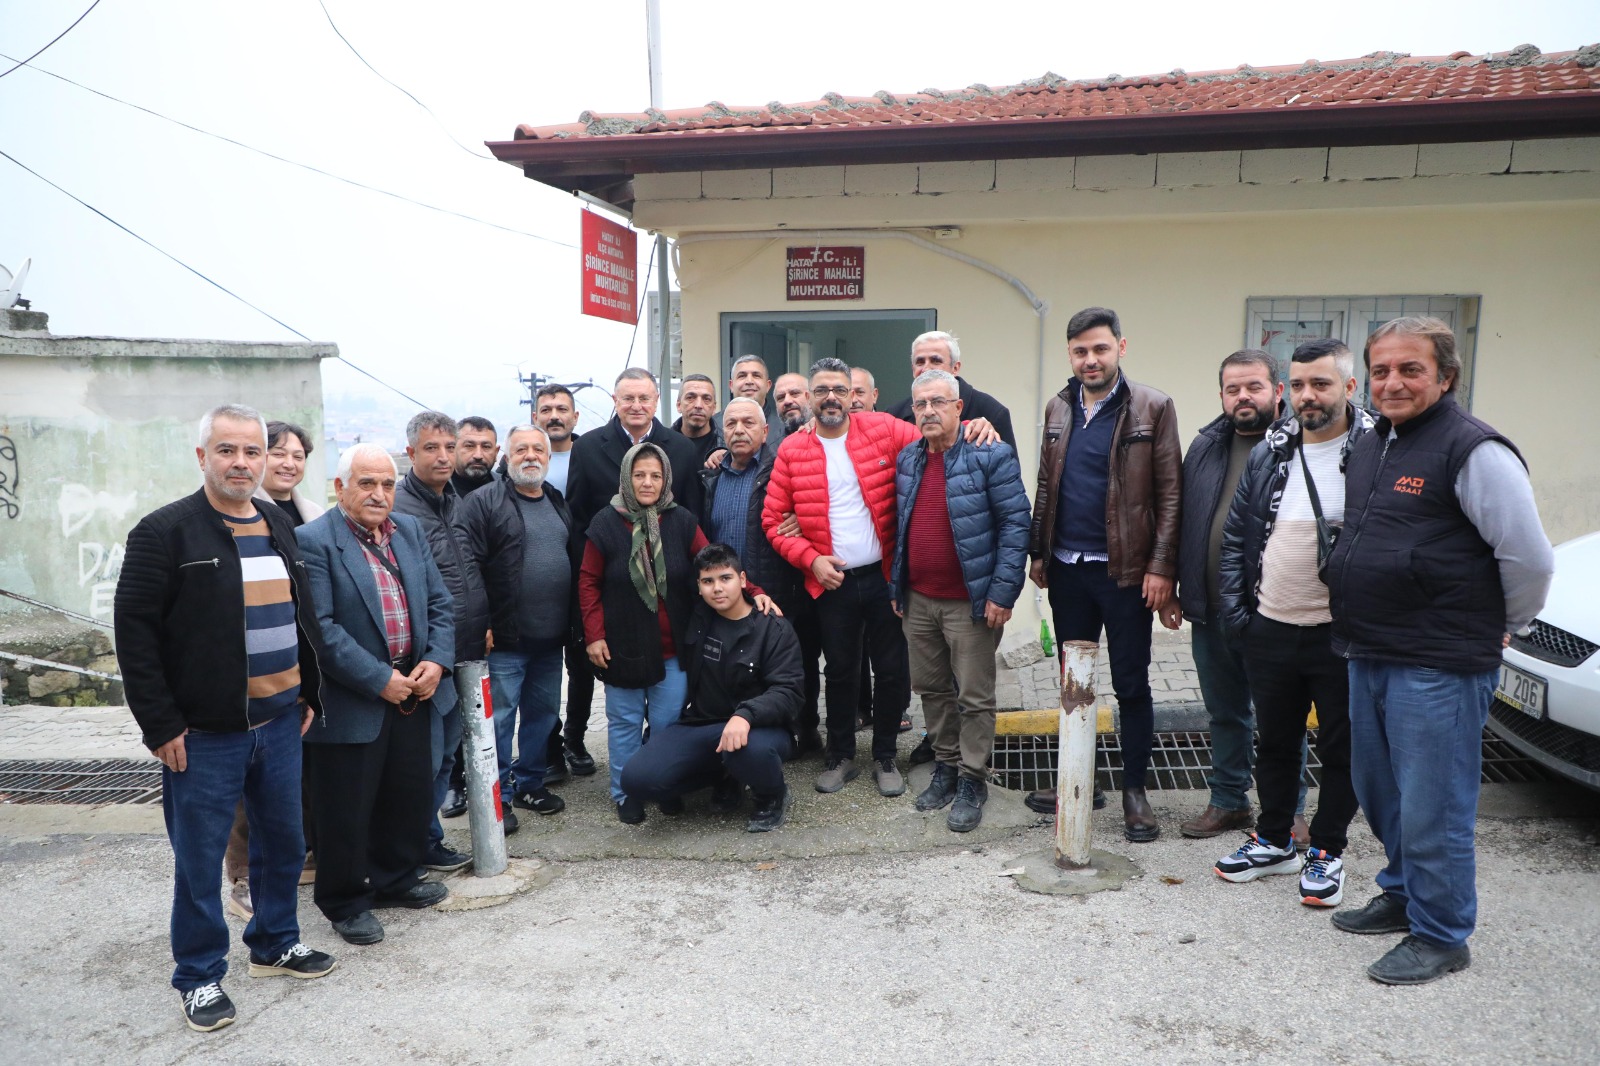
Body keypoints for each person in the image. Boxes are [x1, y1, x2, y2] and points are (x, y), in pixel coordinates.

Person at [1326, 316, 1553, 985]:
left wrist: (1500, 622)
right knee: (1382, 789)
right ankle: (1403, 892)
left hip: (1440, 660)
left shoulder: (1473, 450)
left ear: (1447, 376)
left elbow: (1529, 560)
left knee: (1434, 801)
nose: (1392, 382)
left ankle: (1443, 931)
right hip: (1370, 646)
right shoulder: (1375, 441)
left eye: (1411, 369)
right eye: (1382, 370)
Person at [115, 402, 335, 1032]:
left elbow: (301, 614)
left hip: (280, 722)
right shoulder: (164, 533)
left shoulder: (273, 521)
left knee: (284, 843)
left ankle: (274, 942)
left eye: (252, 452)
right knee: (199, 857)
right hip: (204, 737)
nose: (241, 463)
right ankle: (200, 975)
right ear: (202, 456)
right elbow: (135, 636)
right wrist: (160, 726)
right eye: (227, 451)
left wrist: (309, 691)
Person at [763, 359, 999, 798]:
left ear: (852, 393)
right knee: (840, 672)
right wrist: (811, 560)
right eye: (821, 390)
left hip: (887, 578)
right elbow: (773, 521)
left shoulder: (885, 429)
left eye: (839, 388)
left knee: (892, 671)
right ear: (811, 397)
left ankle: (886, 755)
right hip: (831, 582)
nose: (830, 397)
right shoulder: (793, 450)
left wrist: (974, 424)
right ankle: (840, 756)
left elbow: (938, 432)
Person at [1215, 340, 1374, 907]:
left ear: (1349, 388)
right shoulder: (1273, 449)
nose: (1309, 396)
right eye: (1301, 384)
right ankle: (1275, 839)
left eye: (1322, 384)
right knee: (1275, 741)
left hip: (1341, 634)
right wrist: (1241, 617)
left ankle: (1327, 849)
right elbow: (1238, 536)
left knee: (1341, 747)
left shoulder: (1377, 450)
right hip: (1271, 627)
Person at [1025, 307, 1181, 842]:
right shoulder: (1059, 407)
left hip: (1127, 575)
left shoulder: (1152, 407)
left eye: (1100, 349)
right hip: (1068, 571)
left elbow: (1170, 494)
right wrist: (1039, 553)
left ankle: (1134, 790)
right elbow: (1047, 485)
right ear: (1070, 355)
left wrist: (1161, 569)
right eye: (1080, 351)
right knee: (1075, 684)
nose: (1090, 360)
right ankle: (1078, 779)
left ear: (1120, 347)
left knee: (1132, 684)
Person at [297, 443, 456, 946]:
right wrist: (376, 679)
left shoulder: (407, 530)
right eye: (367, 483)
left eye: (387, 484)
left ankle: (395, 878)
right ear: (340, 487)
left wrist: (436, 660)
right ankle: (345, 901)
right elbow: (319, 629)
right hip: (354, 698)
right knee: (345, 805)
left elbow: (440, 602)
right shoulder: (313, 540)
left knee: (405, 792)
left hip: (414, 686)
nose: (379, 493)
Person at [580, 443, 774, 823]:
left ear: (666, 477)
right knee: (625, 725)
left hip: (673, 651)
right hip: (622, 647)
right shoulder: (605, 523)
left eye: (655, 475)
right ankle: (626, 793)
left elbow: (712, 562)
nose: (648, 482)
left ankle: (663, 787)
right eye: (639, 475)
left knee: (668, 726)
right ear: (626, 478)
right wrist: (593, 635)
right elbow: (588, 582)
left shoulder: (681, 520)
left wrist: (755, 591)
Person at [1175, 352, 1309, 845]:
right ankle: (1229, 801)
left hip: (1274, 610)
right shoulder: (1208, 446)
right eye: (1233, 389)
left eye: (1253, 387)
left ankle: (1287, 809)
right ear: (1222, 396)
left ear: (1277, 391)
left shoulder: (1299, 447)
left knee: (1281, 718)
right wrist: (1177, 587)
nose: (1243, 397)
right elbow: (1185, 519)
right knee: (1225, 712)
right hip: (1211, 609)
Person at [891, 370, 1030, 832]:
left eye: (937, 402)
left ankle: (973, 778)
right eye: (920, 404)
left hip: (971, 603)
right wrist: (899, 587)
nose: (928, 411)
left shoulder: (991, 455)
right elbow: (902, 527)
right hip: (919, 600)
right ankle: (947, 767)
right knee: (932, 690)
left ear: (958, 408)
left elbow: (1016, 525)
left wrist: (1002, 592)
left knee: (973, 696)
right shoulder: (908, 459)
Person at [620, 543, 805, 831]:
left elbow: (789, 692)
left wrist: (746, 716)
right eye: (708, 581)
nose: (717, 588)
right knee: (637, 780)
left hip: (761, 728)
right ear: (699, 587)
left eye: (725, 578)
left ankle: (771, 794)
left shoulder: (774, 629)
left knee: (747, 752)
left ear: (743, 580)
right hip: (703, 723)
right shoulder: (697, 618)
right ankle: (724, 774)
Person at [226, 418, 324, 921]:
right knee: (248, 778)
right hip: (246, 669)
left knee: (296, 770)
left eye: (297, 455)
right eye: (279, 453)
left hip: (297, 661)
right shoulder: (237, 513)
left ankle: (302, 855)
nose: (288, 463)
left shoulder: (310, 515)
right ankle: (243, 874)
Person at [455, 425, 576, 831]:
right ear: (506, 456)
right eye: (521, 448)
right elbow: (466, 568)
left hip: (550, 638)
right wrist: (481, 623)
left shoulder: (555, 499)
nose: (530, 455)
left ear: (547, 456)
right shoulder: (482, 502)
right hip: (505, 638)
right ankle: (498, 797)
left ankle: (530, 783)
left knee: (542, 715)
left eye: (538, 449)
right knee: (500, 720)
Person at [393, 411, 488, 872]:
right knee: (426, 760)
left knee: (447, 753)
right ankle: (415, 847)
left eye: (449, 447)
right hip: (426, 659)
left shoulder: (454, 500)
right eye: (432, 448)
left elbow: (466, 568)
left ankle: (425, 840)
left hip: (466, 647)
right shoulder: (398, 509)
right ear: (411, 453)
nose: (444, 457)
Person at [701, 399, 823, 754]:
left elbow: (817, 503)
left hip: (777, 587)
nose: (739, 430)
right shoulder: (711, 474)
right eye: (732, 423)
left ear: (765, 430)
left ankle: (804, 731)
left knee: (792, 666)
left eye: (748, 423)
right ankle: (746, 735)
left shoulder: (782, 468)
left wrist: (805, 518)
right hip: (727, 594)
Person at [530, 383, 598, 782]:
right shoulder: (522, 460)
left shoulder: (588, 456)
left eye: (562, 409)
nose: (554, 415)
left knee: (582, 665)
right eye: (546, 409)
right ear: (535, 417)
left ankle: (575, 737)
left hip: (582, 576)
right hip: (539, 585)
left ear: (575, 417)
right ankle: (549, 745)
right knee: (542, 670)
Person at [566, 368, 705, 538]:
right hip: (606, 558)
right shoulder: (586, 448)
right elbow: (577, 519)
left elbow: (693, 516)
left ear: (656, 401)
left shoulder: (683, 449)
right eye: (628, 399)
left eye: (644, 398)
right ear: (615, 401)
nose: (637, 406)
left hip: (669, 558)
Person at [886, 331, 1017, 449]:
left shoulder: (992, 412)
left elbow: (1007, 471)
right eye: (920, 362)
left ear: (955, 368)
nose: (926, 369)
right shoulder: (894, 416)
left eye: (935, 361)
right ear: (913, 369)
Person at [254, 420, 324, 528]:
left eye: (298, 457)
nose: (290, 464)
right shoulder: (244, 512)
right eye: (279, 454)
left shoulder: (317, 514)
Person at [729, 353, 787, 441]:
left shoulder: (785, 426)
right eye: (742, 376)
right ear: (731, 386)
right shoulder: (714, 426)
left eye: (756, 376)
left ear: (768, 386)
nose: (749, 381)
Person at [672, 373, 723, 466]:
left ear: (714, 407)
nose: (698, 405)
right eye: (690, 398)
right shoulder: (662, 445)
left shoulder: (726, 447)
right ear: (679, 405)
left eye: (706, 399)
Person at [451, 416, 499, 497]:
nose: (478, 455)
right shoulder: (434, 490)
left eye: (486, 447)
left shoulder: (510, 491)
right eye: (469, 446)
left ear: (496, 452)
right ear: (453, 448)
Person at [771, 371, 812, 437]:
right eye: (781, 397)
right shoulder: (769, 443)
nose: (787, 401)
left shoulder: (829, 433)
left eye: (794, 393)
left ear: (810, 397)